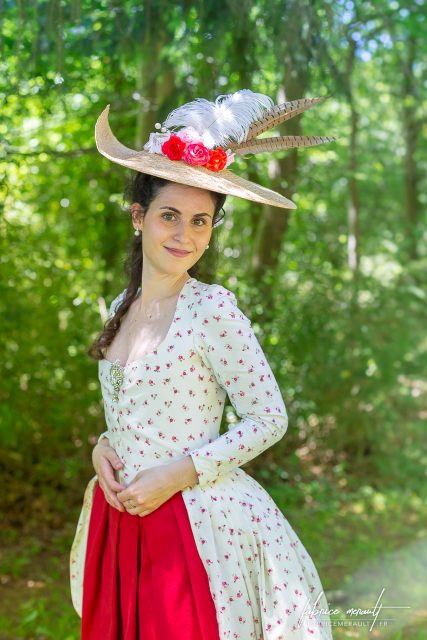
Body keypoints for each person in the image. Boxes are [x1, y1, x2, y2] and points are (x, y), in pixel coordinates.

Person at [70, 89, 336, 639]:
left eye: (200, 221)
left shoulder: (212, 309)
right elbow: (133, 408)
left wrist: (176, 474)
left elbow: (269, 418)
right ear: (138, 217)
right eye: (171, 216)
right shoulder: (123, 307)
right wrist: (103, 446)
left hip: (191, 519)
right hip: (120, 517)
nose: (185, 235)